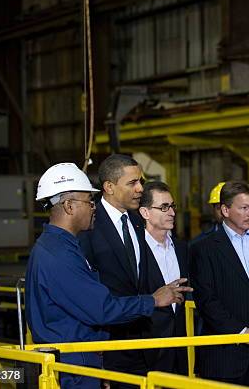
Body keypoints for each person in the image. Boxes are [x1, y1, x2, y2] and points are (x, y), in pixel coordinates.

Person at [25, 162, 191, 389]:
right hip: (72, 368)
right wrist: (153, 300)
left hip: (84, 360)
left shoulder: (62, 247)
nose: (94, 207)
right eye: (88, 201)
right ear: (69, 206)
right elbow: (101, 309)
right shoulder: (58, 254)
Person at [78, 154, 175, 384]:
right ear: (109, 187)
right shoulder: (88, 226)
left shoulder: (137, 221)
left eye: (140, 181)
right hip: (108, 345)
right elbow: (86, 291)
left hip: (144, 343)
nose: (141, 188)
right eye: (132, 183)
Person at [189, 180, 249, 388]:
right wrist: (243, 332)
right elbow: (207, 300)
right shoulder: (203, 249)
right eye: (244, 208)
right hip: (224, 358)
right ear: (225, 210)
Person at [138, 181, 189, 374]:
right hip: (148, 348)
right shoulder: (135, 250)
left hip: (182, 346)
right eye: (164, 207)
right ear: (145, 213)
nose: (172, 213)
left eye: (172, 206)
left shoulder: (183, 248)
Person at [189, 182, 225, 247]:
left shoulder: (247, 238)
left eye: (228, 207)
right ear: (213, 209)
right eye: (219, 208)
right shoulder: (199, 243)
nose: (224, 212)